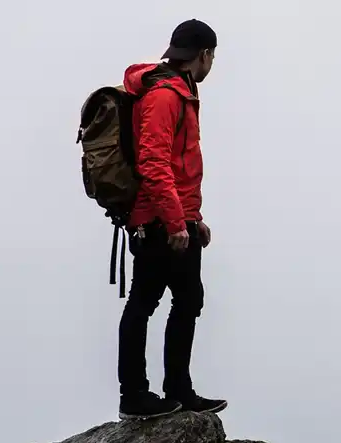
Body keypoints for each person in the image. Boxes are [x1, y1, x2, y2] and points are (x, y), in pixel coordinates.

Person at [115, 19, 226, 420]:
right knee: (144, 302)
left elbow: (179, 167)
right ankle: (135, 396)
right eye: (213, 57)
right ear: (205, 55)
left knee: (187, 300)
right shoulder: (165, 96)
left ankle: (178, 391)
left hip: (175, 217)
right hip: (158, 220)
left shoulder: (181, 92)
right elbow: (153, 162)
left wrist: (193, 219)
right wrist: (176, 222)